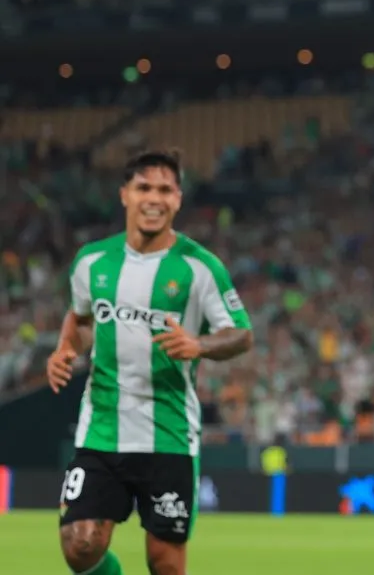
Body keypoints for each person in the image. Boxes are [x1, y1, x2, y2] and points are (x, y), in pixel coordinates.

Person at [46, 149, 253, 575]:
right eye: (144, 188)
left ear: (178, 199)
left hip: (169, 434)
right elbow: (83, 319)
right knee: (80, 545)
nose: (154, 198)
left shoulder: (201, 268)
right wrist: (66, 348)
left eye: (165, 189)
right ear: (125, 195)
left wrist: (199, 345)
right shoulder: (92, 262)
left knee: (165, 563)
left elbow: (241, 333)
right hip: (102, 428)